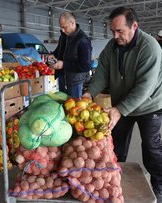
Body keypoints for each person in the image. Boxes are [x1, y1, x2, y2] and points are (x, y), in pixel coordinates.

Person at [82, 7, 162, 202]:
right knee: (115, 147)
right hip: (121, 105)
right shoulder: (111, 47)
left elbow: (144, 88)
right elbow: (101, 75)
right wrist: (88, 94)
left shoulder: (150, 47)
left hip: (149, 106)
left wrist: (119, 110)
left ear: (134, 26)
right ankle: (114, 183)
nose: (115, 36)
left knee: (151, 149)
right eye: (113, 31)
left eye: (120, 31)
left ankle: (159, 187)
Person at [47, 11, 92, 99]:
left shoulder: (83, 41)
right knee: (62, 107)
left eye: (65, 27)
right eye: (61, 28)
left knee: (73, 108)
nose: (63, 30)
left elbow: (85, 66)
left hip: (75, 83)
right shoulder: (64, 36)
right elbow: (59, 50)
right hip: (62, 79)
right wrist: (53, 55)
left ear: (72, 23)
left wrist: (64, 64)